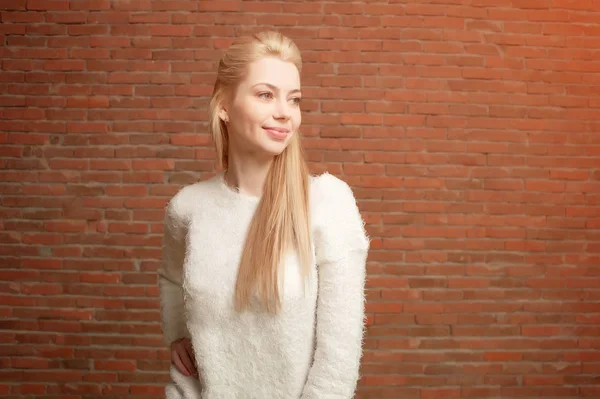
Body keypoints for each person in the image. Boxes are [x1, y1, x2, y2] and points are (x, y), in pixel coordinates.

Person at [158, 31, 370, 399]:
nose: (285, 112)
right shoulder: (189, 207)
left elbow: (337, 365)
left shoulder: (328, 202)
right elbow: (171, 277)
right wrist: (176, 331)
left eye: (294, 99)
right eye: (265, 94)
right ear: (224, 105)